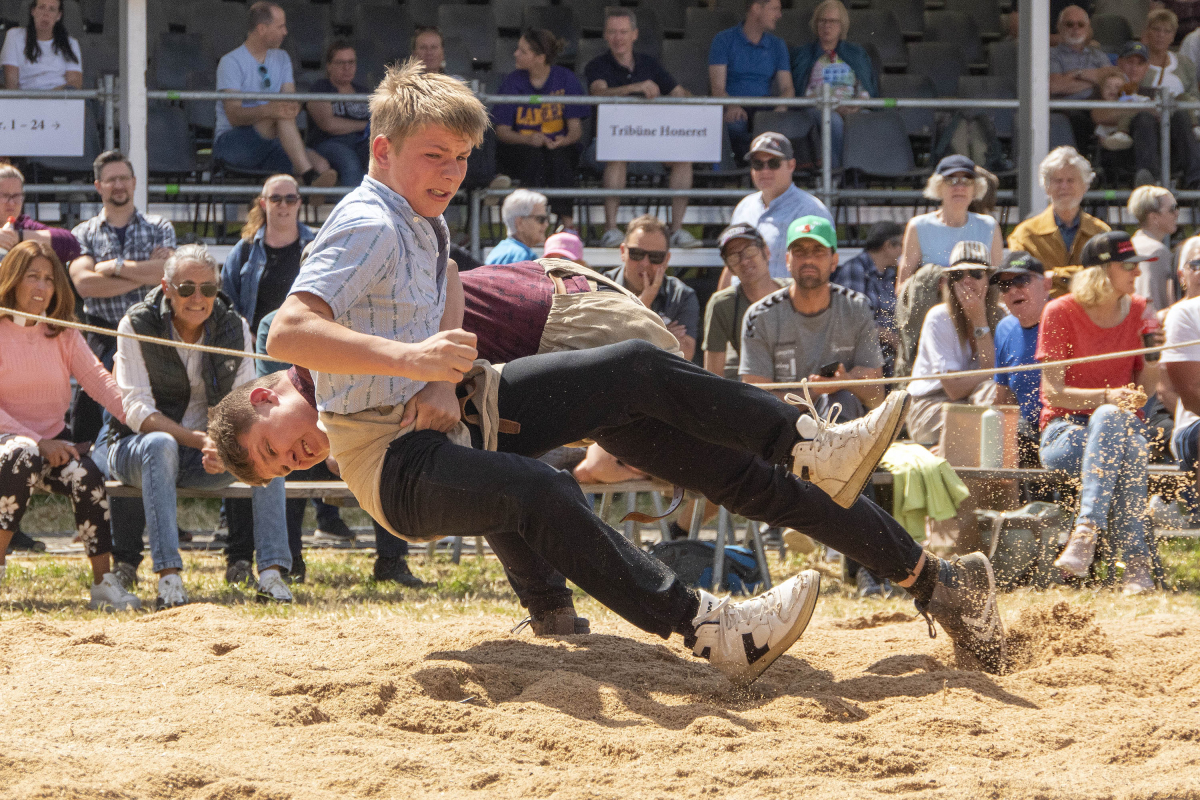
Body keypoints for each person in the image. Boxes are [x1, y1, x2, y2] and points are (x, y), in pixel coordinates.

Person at [254, 59, 1006, 679]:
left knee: (681, 433)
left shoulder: (423, 217)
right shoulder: (366, 219)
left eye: (460, 159)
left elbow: (447, 280)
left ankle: (879, 522)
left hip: (503, 387)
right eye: (434, 157)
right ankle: (717, 608)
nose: (451, 174)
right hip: (457, 417)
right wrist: (418, 361)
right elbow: (287, 329)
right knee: (554, 477)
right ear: (381, 150)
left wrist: (432, 372)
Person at [92, 244, 292, 610]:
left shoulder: (235, 326)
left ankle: (272, 574)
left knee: (269, 446)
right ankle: (169, 578)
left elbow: (244, 402)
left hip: (207, 452)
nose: (197, 298)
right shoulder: (136, 323)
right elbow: (134, 408)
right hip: (135, 449)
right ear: (167, 289)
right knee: (159, 445)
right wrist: (201, 440)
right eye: (187, 289)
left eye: (208, 289)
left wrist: (223, 444)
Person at [0, 240, 139, 610]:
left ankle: (103, 583)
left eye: (49, 278)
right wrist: (35, 440)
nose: (43, 287)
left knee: (87, 475)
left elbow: (101, 383)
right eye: (33, 277)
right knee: (22, 454)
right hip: (8, 445)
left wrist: (144, 419)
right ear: (12, 279)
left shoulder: (62, 331)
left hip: (51, 446)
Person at [254, 309, 426, 588]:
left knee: (387, 446)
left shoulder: (357, 316)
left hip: (353, 427)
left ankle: (392, 561)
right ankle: (291, 560)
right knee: (288, 462)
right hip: (304, 429)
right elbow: (275, 385)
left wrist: (341, 443)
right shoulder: (272, 325)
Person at [1037, 231, 1158, 595]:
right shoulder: (1059, 311)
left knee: (1120, 434)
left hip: (1119, 429)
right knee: (1125, 444)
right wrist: (1107, 396)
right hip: (1065, 431)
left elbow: (1144, 394)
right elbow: (1053, 392)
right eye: (1129, 266)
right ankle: (1136, 566)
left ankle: (1085, 534)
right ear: (1101, 271)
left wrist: (1154, 353)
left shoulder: (1139, 311)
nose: (1137, 273)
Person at [221, 175, 328, 577]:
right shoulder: (245, 250)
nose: (283, 204)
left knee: (288, 449)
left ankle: (291, 555)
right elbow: (230, 303)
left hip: (311, 344)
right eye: (275, 198)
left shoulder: (315, 243)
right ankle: (245, 554)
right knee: (268, 451)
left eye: (291, 197)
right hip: (259, 351)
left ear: (299, 202)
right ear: (262, 203)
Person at [69, 150, 176, 446]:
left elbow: (168, 274)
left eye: (124, 178)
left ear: (135, 182)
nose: (119, 185)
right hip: (102, 332)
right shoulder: (83, 233)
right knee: (89, 410)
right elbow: (85, 285)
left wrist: (114, 268)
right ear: (98, 186)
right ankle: (88, 471)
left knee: (151, 406)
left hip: (150, 330)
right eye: (111, 179)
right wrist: (145, 272)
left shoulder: (160, 226)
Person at [741, 215, 885, 424]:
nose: (809, 259)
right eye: (800, 252)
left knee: (841, 398)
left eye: (818, 251)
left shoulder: (857, 307)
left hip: (843, 427)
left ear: (834, 261)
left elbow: (877, 396)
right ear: (787, 261)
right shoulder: (760, 316)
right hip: (781, 429)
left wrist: (846, 382)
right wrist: (812, 393)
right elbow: (755, 402)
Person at [586, 9, 698, 250]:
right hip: (607, 143)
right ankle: (611, 230)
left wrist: (678, 96)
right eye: (613, 32)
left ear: (634, 34)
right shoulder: (597, 65)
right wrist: (636, 87)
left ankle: (677, 230)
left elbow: (679, 93)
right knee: (616, 153)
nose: (618, 38)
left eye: (624, 32)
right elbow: (598, 92)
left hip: (649, 142)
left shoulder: (650, 64)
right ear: (605, 35)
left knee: (683, 158)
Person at [213, 2, 336, 188]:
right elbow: (234, 115)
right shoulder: (230, 62)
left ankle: (303, 192)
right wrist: (270, 109)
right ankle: (307, 178)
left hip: (273, 141)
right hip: (232, 144)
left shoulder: (283, 58)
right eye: (280, 26)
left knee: (322, 166)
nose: (285, 32)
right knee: (279, 112)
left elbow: (290, 101)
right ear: (262, 29)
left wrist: (286, 108)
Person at [905, 241, 1007, 448]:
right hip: (930, 404)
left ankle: (999, 474)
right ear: (950, 283)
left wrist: (980, 321)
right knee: (981, 424)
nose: (967, 281)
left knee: (994, 395)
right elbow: (953, 388)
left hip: (976, 400)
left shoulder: (1002, 315)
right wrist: (999, 371)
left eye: (976, 274)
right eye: (959, 275)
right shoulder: (939, 317)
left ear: (988, 279)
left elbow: (996, 380)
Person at [493, 29, 587, 232]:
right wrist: (528, 140)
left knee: (561, 158)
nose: (515, 54)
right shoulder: (513, 81)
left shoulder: (565, 79)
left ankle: (567, 225)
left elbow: (576, 130)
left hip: (557, 147)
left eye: (523, 51)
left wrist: (563, 140)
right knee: (533, 158)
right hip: (521, 148)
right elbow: (501, 131)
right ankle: (531, 224)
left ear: (539, 58)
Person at [726, 132, 832, 284]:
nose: (765, 170)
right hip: (740, 304)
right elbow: (730, 268)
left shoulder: (811, 211)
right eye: (758, 164)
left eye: (774, 163)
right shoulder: (744, 206)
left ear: (791, 165)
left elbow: (818, 271)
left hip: (786, 305)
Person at [1093, 41, 1200, 190]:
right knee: (1144, 118)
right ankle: (1150, 184)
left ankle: (1196, 181)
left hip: (1164, 152)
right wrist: (1143, 109)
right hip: (1124, 153)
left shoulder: (1154, 93)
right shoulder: (1109, 89)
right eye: (1130, 62)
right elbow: (1099, 115)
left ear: (1147, 67)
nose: (1134, 68)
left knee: (1181, 115)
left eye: (1140, 63)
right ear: (1120, 63)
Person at [788, 0, 876, 170]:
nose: (827, 26)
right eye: (822, 20)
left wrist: (855, 105)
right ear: (815, 24)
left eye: (833, 21)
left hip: (852, 107)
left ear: (842, 25)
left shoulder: (856, 54)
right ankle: (836, 176)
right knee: (833, 121)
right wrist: (833, 106)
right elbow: (802, 91)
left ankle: (859, 175)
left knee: (864, 119)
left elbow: (865, 88)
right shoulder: (803, 54)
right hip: (817, 107)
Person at [1007, 146, 1111, 286]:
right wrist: (1082, 274)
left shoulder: (1101, 233)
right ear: (1046, 186)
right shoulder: (1025, 234)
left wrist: (1052, 275)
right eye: (1057, 180)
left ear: (1085, 186)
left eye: (1070, 180)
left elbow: (1107, 273)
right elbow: (1023, 277)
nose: (1064, 186)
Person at [897, 155, 1002, 291]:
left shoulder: (989, 226)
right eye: (951, 180)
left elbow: (999, 285)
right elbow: (901, 287)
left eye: (966, 180)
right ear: (938, 186)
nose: (959, 187)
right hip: (931, 307)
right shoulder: (919, 226)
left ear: (975, 187)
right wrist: (934, 283)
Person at [708, 0, 794, 164]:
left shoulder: (778, 45)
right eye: (774, 9)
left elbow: (787, 87)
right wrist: (731, 106)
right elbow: (717, 87)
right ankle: (742, 173)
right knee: (735, 125)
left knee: (771, 124)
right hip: (734, 104)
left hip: (764, 105)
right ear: (756, 8)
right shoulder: (723, 40)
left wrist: (781, 108)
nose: (779, 15)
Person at [605, 215, 698, 361]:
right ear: (623, 252)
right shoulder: (601, 287)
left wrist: (627, 332)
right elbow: (599, 347)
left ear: (666, 260)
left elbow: (684, 355)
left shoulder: (682, 295)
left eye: (655, 257)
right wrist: (644, 306)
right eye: (637, 254)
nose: (645, 263)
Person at [703, 223, 790, 379]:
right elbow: (712, 375)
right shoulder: (723, 304)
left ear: (767, 252)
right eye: (734, 256)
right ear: (729, 267)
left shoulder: (794, 292)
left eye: (750, 251)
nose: (744, 261)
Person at [990, 251, 1052, 464]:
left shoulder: (1067, 317)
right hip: (1029, 432)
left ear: (1047, 284)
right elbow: (1004, 400)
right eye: (1005, 286)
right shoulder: (1004, 329)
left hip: (1070, 425)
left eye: (1022, 280)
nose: (1013, 290)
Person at [830, 220, 902, 375]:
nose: (902, 252)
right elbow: (851, 321)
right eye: (900, 246)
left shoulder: (890, 275)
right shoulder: (855, 269)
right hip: (863, 356)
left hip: (889, 354)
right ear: (888, 245)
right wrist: (891, 337)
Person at [305, 40, 370, 188]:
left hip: (361, 141)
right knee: (349, 162)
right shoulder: (321, 88)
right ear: (329, 66)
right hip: (328, 143)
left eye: (351, 62)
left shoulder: (363, 91)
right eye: (340, 63)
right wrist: (364, 125)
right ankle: (350, 210)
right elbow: (329, 124)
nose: (347, 68)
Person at [1048, 5, 1113, 148]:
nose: (1075, 28)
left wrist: (1076, 76)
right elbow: (1055, 86)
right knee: (1078, 119)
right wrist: (1095, 79)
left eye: (1081, 24)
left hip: (1098, 106)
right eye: (1069, 24)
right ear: (1059, 27)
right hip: (1067, 109)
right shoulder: (1052, 55)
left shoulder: (1098, 55)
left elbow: (1114, 79)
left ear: (1088, 29)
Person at [0, 163, 81, 267]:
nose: (11, 203)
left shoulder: (24, 225)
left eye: (16, 196)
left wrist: (18, 236)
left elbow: (71, 245)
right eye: (4, 196)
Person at [1, 0, 80, 91]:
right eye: (41, 7)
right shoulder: (14, 36)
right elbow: (11, 85)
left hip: (60, 99)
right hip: (25, 99)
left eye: (52, 9)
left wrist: (48, 98)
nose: (46, 14)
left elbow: (74, 83)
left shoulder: (71, 43)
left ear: (58, 16)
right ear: (33, 11)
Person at [1128, 185, 1179, 313]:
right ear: (1154, 217)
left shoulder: (1131, 244)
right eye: (1172, 209)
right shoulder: (1157, 252)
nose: (1177, 213)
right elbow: (1155, 302)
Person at [485, 189, 548, 265]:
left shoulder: (502, 250)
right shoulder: (519, 256)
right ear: (520, 223)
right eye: (540, 219)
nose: (546, 224)